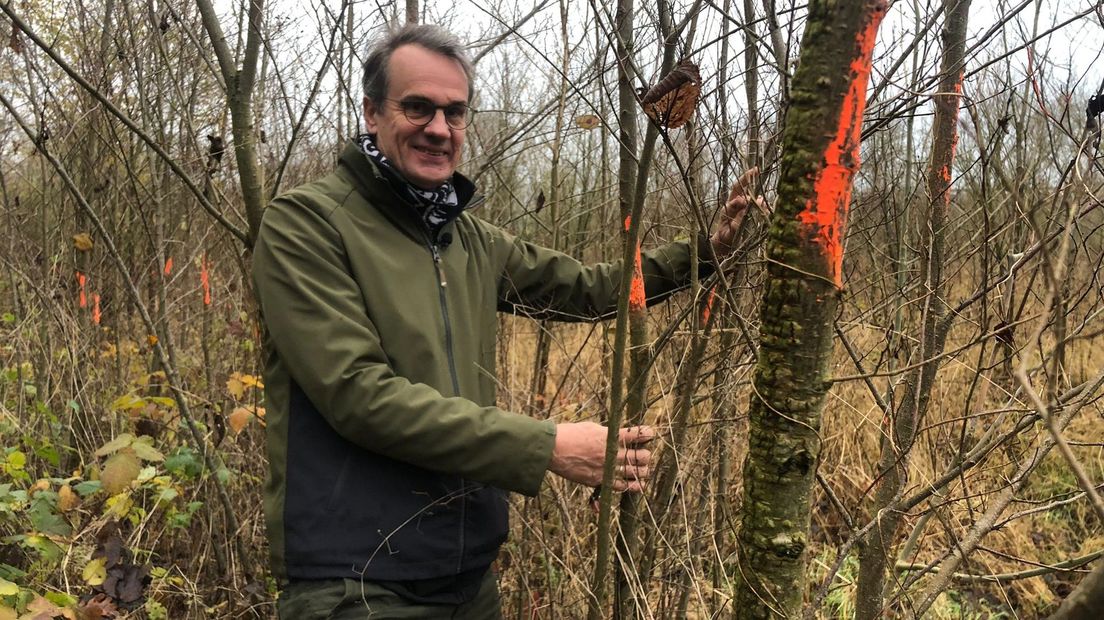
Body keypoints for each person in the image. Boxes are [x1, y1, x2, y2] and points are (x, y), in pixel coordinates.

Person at [252, 23, 759, 620]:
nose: (439, 128)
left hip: (467, 573)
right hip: (355, 580)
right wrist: (547, 447)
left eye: (454, 112)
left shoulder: (468, 238)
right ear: (371, 111)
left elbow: (591, 288)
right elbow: (359, 395)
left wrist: (705, 252)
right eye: (417, 107)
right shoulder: (307, 225)